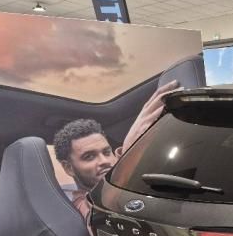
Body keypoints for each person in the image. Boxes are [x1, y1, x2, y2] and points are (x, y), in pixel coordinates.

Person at [52, 80, 179, 221]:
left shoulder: (123, 174)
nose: (104, 161)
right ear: (68, 168)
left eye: (107, 152)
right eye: (89, 157)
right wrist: (130, 155)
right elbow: (101, 220)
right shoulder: (79, 206)